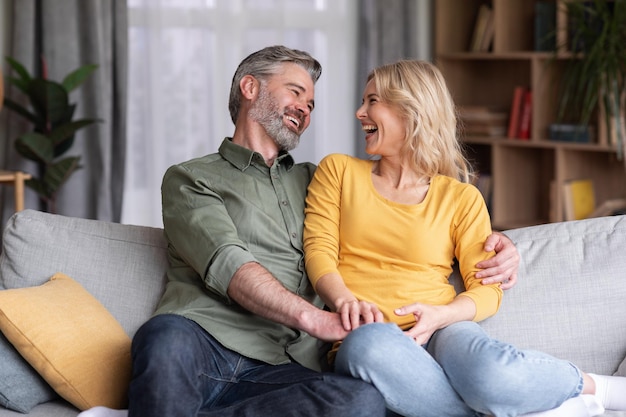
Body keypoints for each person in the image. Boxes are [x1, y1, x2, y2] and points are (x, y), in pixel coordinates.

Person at [78, 46, 519, 417]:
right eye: (295, 92)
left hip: (286, 365)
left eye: (310, 104)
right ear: (250, 88)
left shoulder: (322, 178)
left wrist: (502, 244)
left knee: (360, 402)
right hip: (202, 343)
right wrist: (315, 317)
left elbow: (397, 209)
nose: (304, 109)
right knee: (163, 338)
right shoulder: (191, 178)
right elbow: (229, 262)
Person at [302, 59, 626, 417]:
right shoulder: (338, 171)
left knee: (491, 375)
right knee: (369, 345)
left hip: (444, 330)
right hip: (370, 338)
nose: (359, 112)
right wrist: (346, 301)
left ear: (411, 109)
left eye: (372, 101)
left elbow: (487, 289)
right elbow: (319, 249)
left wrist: (440, 316)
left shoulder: (460, 197)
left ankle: (593, 387)